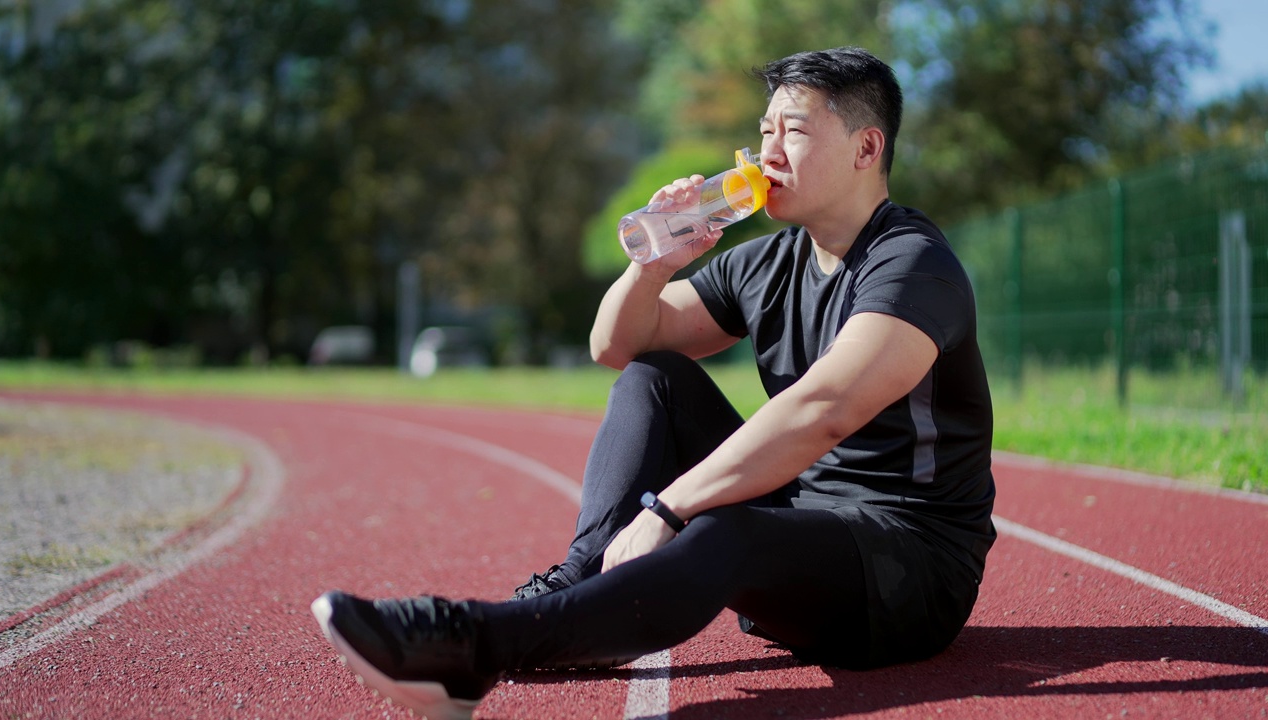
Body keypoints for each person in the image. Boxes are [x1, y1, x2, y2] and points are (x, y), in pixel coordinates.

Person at [311, 46, 995, 719]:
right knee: (655, 378)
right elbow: (616, 345)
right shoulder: (771, 261)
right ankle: (579, 585)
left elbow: (826, 410)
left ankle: (476, 643)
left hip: (910, 567)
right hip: (810, 524)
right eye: (764, 132)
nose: (768, 152)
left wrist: (666, 510)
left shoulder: (912, 265)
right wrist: (653, 266)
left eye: (793, 131)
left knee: (725, 528)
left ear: (866, 149)